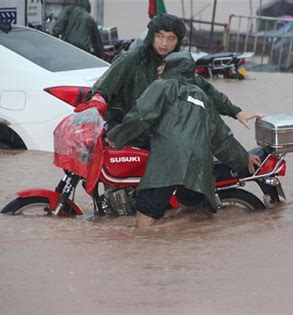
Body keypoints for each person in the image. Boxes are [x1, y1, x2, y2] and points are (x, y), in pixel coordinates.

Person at [107, 52, 261, 228]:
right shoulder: (202, 96)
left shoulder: (162, 86)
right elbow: (221, 137)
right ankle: (180, 243)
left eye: (163, 65)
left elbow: (141, 116)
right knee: (190, 212)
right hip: (199, 166)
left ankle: (148, 249)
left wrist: (115, 137)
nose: (159, 68)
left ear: (173, 68)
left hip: (168, 161)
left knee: (145, 214)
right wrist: (244, 157)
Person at [75, 13, 263, 131]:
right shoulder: (130, 60)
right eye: (160, 36)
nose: (164, 43)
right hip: (125, 131)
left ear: (178, 41)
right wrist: (97, 101)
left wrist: (236, 112)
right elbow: (103, 87)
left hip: (158, 132)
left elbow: (204, 89)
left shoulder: (177, 65)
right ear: (152, 36)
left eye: (171, 38)